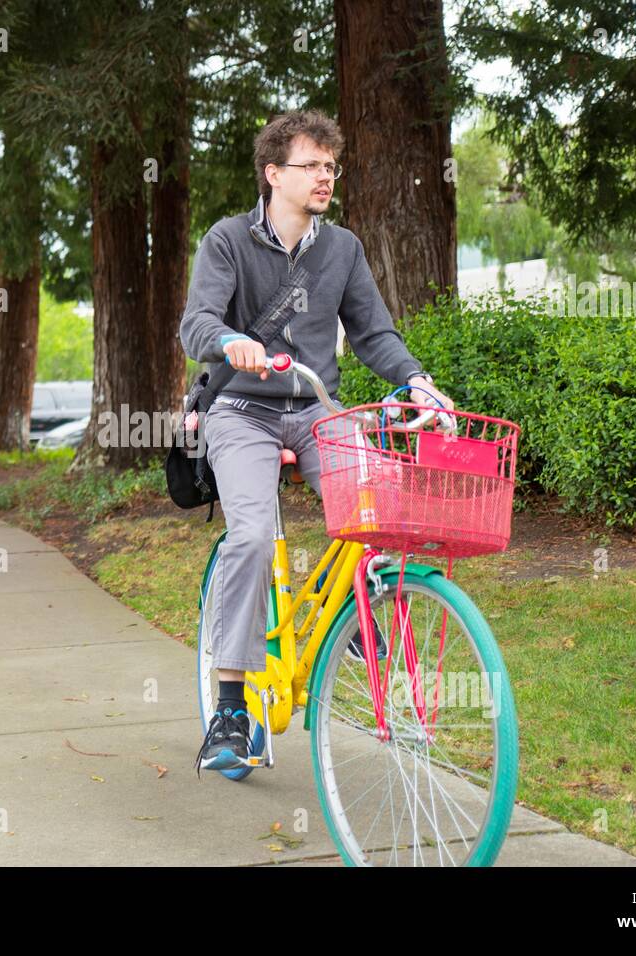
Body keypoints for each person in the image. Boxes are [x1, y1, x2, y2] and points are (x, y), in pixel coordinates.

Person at [178, 109, 456, 774]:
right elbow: (197, 324)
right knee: (248, 537)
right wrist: (229, 342)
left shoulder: (343, 249)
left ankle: (355, 615)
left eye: (331, 166)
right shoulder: (227, 241)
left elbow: (373, 333)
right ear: (274, 174)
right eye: (311, 165)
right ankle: (230, 707)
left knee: (379, 509)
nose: (325, 176)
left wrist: (417, 381)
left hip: (315, 408)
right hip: (241, 409)